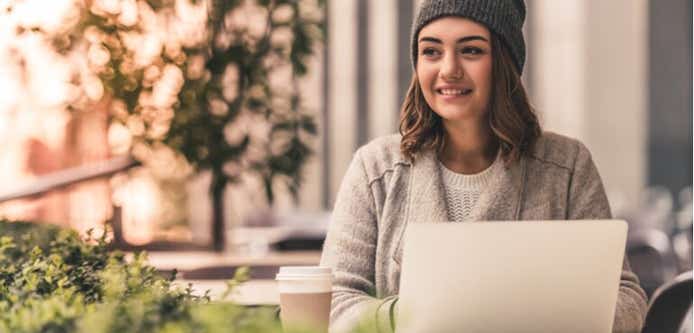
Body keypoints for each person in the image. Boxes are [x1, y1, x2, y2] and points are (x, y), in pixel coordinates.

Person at [319, 0, 648, 332]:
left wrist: (546, 317)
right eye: (431, 52)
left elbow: (627, 298)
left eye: (471, 51)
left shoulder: (567, 166)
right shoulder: (375, 169)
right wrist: (415, 314)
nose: (448, 69)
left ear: (504, 62)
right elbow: (333, 302)